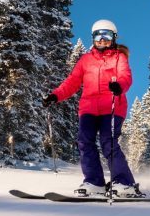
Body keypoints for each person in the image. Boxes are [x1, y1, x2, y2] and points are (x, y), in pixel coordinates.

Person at [42, 19, 143, 197]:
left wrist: (119, 86)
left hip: (112, 106)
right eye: (98, 35)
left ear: (114, 38)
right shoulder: (85, 60)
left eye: (107, 35)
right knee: (84, 141)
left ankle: (124, 183)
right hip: (88, 108)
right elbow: (72, 82)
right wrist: (56, 95)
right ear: (93, 38)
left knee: (108, 142)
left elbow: (125, 76)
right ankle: (94, 182)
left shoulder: (119, 57)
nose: (102, 39)